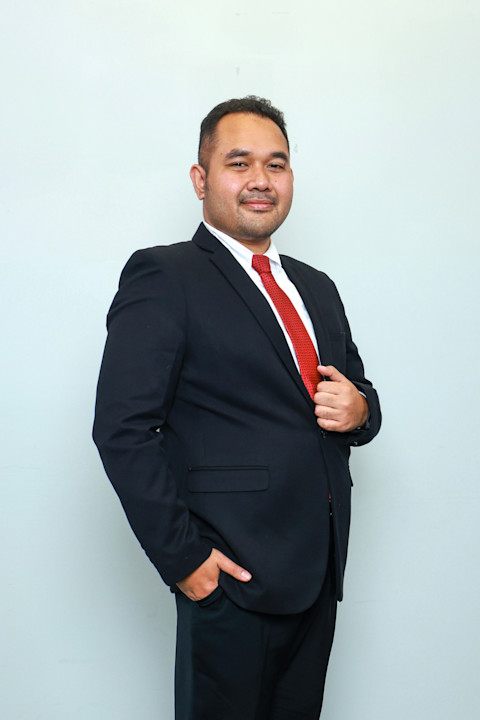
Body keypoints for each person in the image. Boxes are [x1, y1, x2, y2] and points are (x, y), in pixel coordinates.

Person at [93, 96, 381, 720]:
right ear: (201, 180)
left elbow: (359, 395)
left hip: (318, 570)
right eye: (239, 162)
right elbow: (122, 428)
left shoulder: (316, 286)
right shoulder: (165, 275)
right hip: (230, 578)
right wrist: (185, 561)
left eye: (276, 164)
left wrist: (360, 410)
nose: (260, 180)